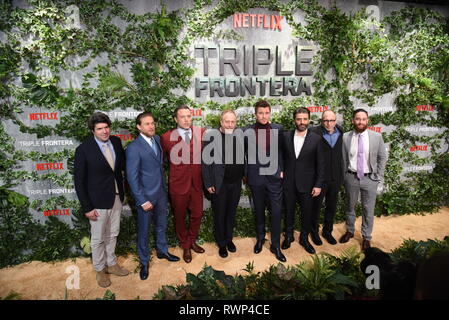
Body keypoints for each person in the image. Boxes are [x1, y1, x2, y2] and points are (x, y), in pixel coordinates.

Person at [74, 112, 129, 288]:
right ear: (93, 130)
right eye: (100, 128)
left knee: (113, 233)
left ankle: (111, 264)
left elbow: (119, 169)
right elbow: (79, 181)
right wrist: (87, 207)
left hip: (116, 196)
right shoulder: (83, 150)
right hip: (97, 201)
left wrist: (123, 191)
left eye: (106, 127)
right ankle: (99, 269)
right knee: (97, 238)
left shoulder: (116, 141)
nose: (104, 131)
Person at [126, 112, 180, 281]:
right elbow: (132, 178)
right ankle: (144, 262)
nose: (151, 126)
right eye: (147, 124)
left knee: (161, 226)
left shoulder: (157, 140)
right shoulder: (133, 148)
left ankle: (162, 251)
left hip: (161, 194)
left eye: (152, 123)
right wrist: (142, 200)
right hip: (146, 198)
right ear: (139, 127)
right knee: (144, 231)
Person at [161, 105, 205, 263]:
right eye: (182, 117)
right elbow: (164, 160)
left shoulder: (201, 133)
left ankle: (192, 240)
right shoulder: (166, 137)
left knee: (197, 214)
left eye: (189, 116)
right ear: (175, 119)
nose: (186, 120)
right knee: (179, 217)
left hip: (196, 183)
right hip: (178, 184)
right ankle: (185, 245)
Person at [339, 109, 387, 251]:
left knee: (368, 209)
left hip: (370, 178)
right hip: (351, 177)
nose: (360, 122)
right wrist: (343, 177)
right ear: (353, 120)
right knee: (350, 206)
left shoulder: (376, 137)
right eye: (358, 119)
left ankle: (366, 237)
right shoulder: (345, 137)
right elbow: (342, 158)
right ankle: (350, 230)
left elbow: (382, 157)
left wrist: (379, 176)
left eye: (363, 119)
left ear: (367, 120)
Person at [244, 100, 286, 262]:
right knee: (259, 211)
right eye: (260, 113)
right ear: (255, 114)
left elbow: (283, 151)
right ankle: (260, 238)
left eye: (266, 113)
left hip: (274, 178)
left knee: (276, 212)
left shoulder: (278, 129)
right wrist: (246, 172)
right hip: (256, 178)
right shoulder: (247, 131)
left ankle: (276, 245)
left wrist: (282, 170)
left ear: (270, 113)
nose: (263, 116)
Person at [281, 107, 325, 254]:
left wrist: (318, 184)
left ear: (309, 120)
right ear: (295, 120)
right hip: (288, 183)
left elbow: (321, 164)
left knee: (306, 213)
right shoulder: (285, 136)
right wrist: (281, 170)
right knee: (289, 211)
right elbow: (281, 155)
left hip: (308, 184)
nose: (302, 122)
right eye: (299, 119)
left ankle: (304, 239)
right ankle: (288, 236)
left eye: (305, 119)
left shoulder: (316, 139)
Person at [202, 110, 245, 258]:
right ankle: (221, 244)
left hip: (236, 183)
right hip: (219, 184)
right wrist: (208, 183)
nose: (230, 124)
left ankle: (229, 239)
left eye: (233, 122)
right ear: (221, 122)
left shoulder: (239, 135)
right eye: (227, 121)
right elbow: (206, 162)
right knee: (220, 215)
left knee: (231, 214)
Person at [310, 110, 344, 245]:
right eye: (325, 120)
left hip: (336, 178)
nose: (328, 123)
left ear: (335, 121)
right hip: (320, 178)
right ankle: (314, 232)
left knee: (331, 206)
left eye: (331, 120)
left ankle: (327, 231)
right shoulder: (314, 133)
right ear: (321, 121)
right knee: (316, 207)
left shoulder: (342, 133)